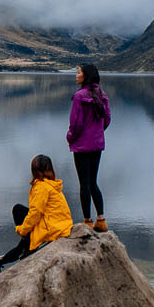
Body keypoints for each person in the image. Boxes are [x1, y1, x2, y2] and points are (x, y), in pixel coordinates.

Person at [0, 154, 73, 273]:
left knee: (18, 210)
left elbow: (35, 213)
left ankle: (2, 260)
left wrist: (23, 230)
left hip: (52, 228)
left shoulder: (41, 187)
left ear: (34, 171)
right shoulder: (52, 184)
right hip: (61, 225)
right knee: (23, 244)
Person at [66, 62, 111, 231]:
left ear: (86, 76)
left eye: (78, 72)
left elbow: (75, 123)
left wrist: (70, 137)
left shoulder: (79, 96)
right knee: (93, 182)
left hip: (82, 146)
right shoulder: (102, 94)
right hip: (97, 145)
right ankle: (101, 220)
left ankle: (87, 222)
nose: (76, 75)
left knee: (83, 184)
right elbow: (107, 119)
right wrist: (97, 132)